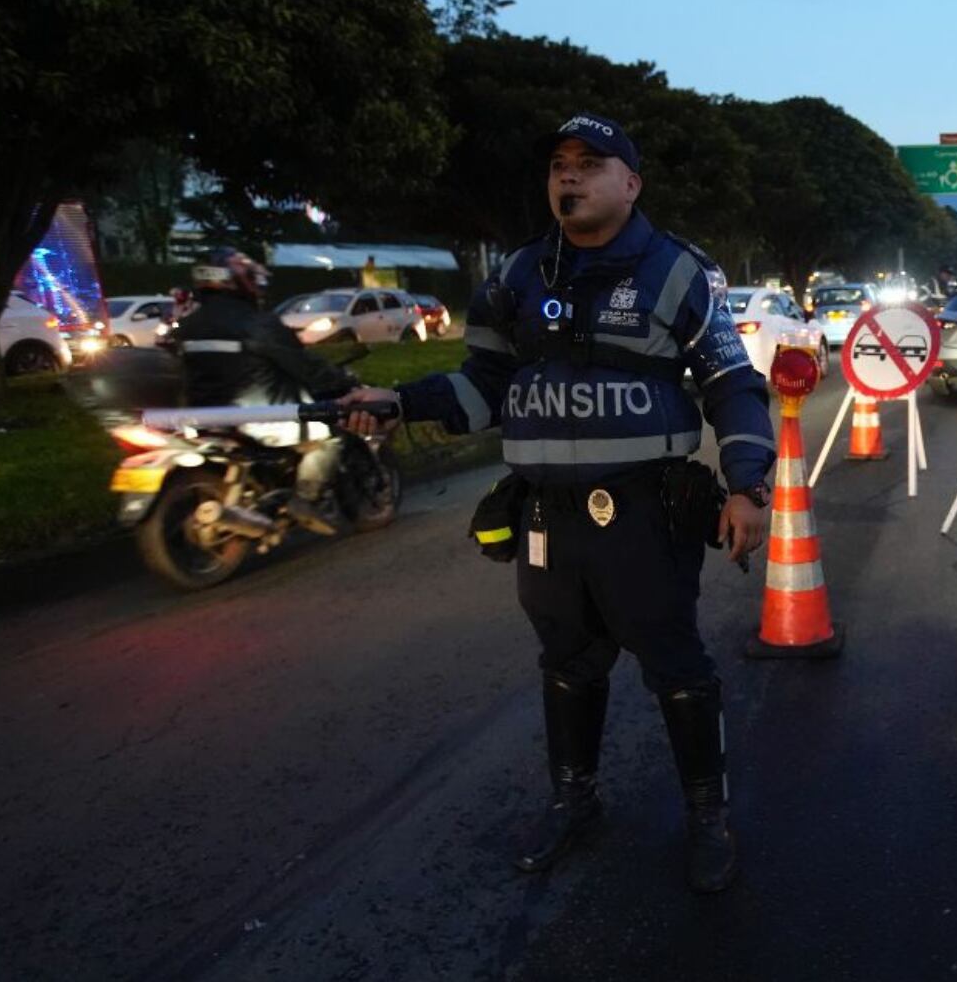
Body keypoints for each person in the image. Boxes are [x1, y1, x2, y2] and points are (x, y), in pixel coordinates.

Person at [343, 112, 775, 893]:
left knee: (676, 665)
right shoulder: (515, 277)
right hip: (546, 517)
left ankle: (707, 814)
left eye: (589, 163)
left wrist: (748, 487)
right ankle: (575, 801)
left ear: (631, 182)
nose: (567, 177)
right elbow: (483, 389)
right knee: (568, 665)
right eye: (557, 166)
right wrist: (399, 399)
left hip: (646, 513)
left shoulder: (680, 273)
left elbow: (731, 384)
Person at [175, 247, 355, 534]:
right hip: (257, 415)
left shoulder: (187, 325)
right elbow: (302, 364)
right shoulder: (256, 322)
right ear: (237, 280)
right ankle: (305, 501)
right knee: (328, 436)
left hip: (203, 416)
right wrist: (341, 382)